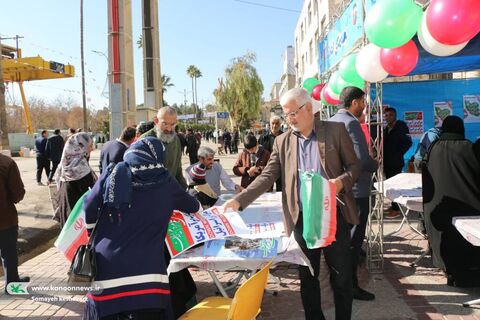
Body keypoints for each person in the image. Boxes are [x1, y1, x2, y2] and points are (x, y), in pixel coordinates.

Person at [223, 88, 361, 320]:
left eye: (292, 113)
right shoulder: (282, 141)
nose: (289, 119)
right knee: (308, 277)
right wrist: (240, 199)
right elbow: (268, 176)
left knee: (341, 277)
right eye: (286, 115)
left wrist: (340, 182)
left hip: (333, 216)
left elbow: (355, 167)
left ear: (308, 108)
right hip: (302, 218)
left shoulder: (335, 131)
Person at [83, 137, 200, 320]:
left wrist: (92, 233)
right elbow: (194, 207)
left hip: (107, 266)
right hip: (148, 274)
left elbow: (89, 204)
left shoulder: (111, 173)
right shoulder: (165, 182)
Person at [330, 87, 378, 301]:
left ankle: (341, 284)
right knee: (353, 243)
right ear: (356, 102)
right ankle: (350, 287)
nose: (365, 106)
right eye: (364, 101)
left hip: (339, 190)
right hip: (356, 192)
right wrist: (375, 163)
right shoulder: (351, 123)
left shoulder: (331, 120)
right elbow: (360, 160)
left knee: (343, 241)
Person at [423, 115, 480, 287]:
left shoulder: (433, 149)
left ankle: (450, 272)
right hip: (468, 209)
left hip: (440, 211)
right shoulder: (469, 147)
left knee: (447, 245)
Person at [0, 153, 29, 293]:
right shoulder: (6, 163)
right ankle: (11, 284)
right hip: (4, 218)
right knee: (8, 252)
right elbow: (17, 193)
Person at [53, 133, 96, 226]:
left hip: (66, 213)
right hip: (78, 221)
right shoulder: (81, 169)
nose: (92, 149)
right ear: (80, 147)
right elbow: (91, 195)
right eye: (90, 146)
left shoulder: (64, 165)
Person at [141, 106, 187, 188]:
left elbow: (178, 169)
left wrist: (184, 189)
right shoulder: (144, 140)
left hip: (171, 191)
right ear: (156, 121)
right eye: (165, 123)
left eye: (172, 124)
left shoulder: (175, 139)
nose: (169, 129)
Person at [383, 107, 412, 218]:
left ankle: (396, 209)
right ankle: (394, 205)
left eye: (390, 115)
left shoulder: (401, 126)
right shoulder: (385, 128)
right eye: (386, 115)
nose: (388, 117)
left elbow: (408, 142)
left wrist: (398, 153)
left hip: (395, 162)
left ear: (395, 115)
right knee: (390, 185)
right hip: (387, 162)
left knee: (395, 186)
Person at [259, 115, 284, 191]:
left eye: (277, 123)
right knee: (267, 191)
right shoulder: (263, 137)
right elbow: (258, 153)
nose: (274, 125)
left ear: (280, 125)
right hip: (267, 168)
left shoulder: (284, 136)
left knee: (281, 191)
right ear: (270, 124)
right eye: (273, 123)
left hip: (281, 168)